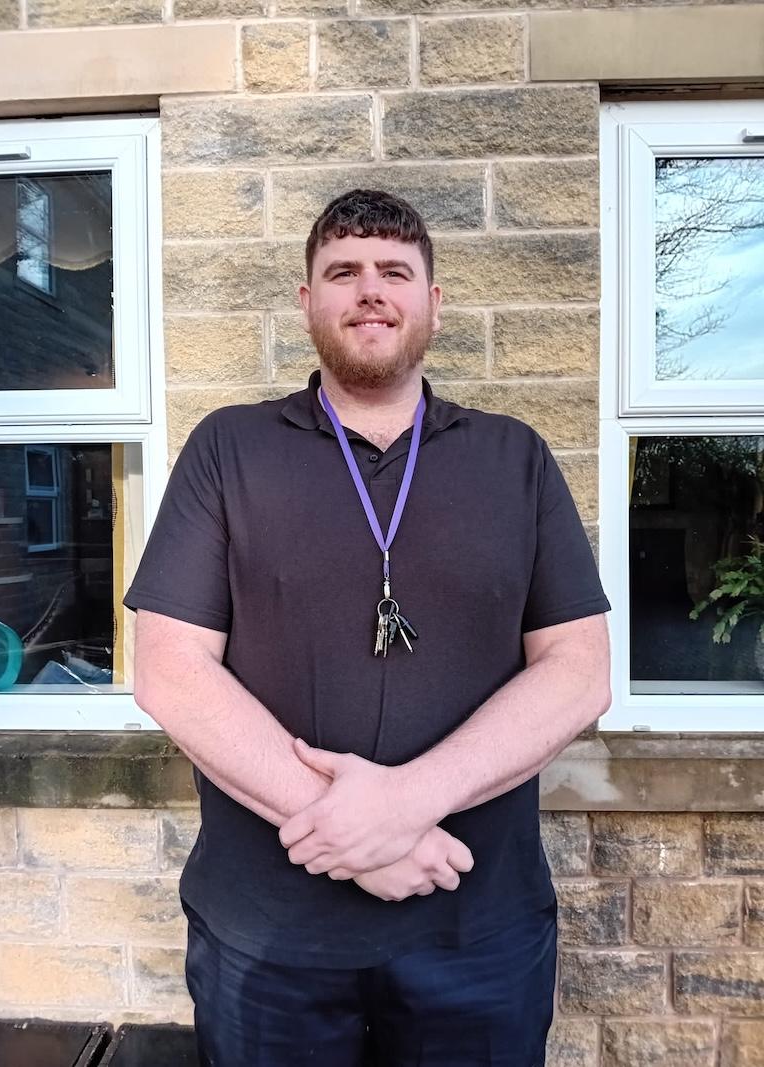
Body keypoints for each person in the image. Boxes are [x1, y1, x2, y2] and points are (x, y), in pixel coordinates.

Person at [125, 189, 611, 1067]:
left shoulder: (517, 458)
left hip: (479, 931)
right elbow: (169, 669)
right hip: (268, 938)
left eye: (396, 271)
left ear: (434, 301)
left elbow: (579, 668)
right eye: (342, 271)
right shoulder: (228, 449)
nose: (370, 290)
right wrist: (348, 830)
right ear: (308, 301)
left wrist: (405, 803)